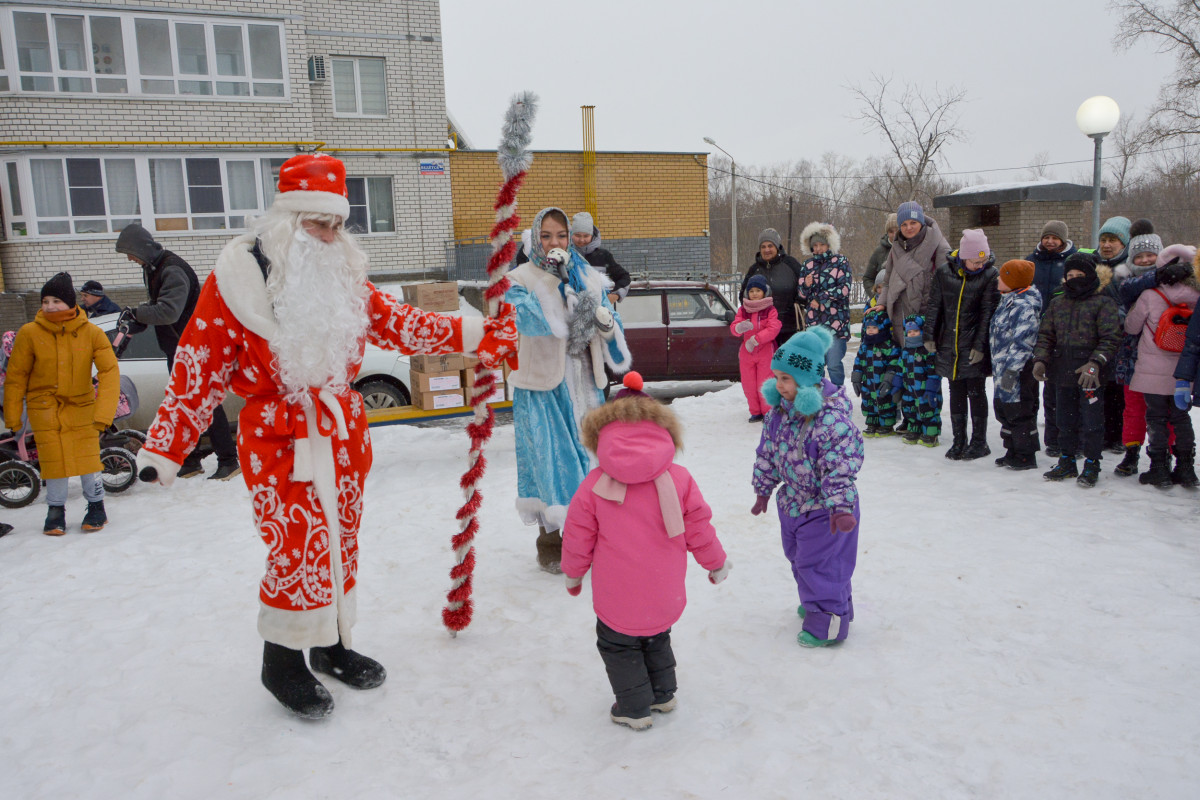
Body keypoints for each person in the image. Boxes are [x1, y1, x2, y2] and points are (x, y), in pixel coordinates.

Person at [133, 153, 518, 719]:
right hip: (277, 437)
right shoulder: (235, 283)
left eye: (338, 224)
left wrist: (479, 329)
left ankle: (331, 644)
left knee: (338, 542)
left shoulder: (342, 278)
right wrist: (165, 448)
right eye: (319, 223)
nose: (331, 235)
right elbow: (198, 365)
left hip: (341, 435)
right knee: (294, 548)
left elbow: (399, 321)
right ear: (288, 222)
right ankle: (281, 662)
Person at [561, 371, 729, 730]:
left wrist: (574, 574)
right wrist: (716, 563)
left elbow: (578, 535)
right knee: (656, 636)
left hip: (617, 595)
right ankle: (663, 694)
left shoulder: (594, 486)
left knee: (619, 645)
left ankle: (633, 708)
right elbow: (698, 527)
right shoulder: (679, 479)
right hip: (664, 590)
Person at [505, 206, 632, 573]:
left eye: (561, 235)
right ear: (536, 238)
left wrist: (607, 324)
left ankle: (591, 534)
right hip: (544, 385)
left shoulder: (587, 276)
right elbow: (532, 322)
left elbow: (611, 320)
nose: (555, 242)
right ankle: (551, 541)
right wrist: (558, 286)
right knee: (550, 463)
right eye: (546, 236)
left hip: (584, 383)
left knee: (591, 460)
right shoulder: (520, 278)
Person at [751, 326, 864, 647]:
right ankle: (827, 602)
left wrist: (840, 508)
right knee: (800, 558)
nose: (779, 385)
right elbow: (768, 453)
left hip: (828, 508)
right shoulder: (780, 413)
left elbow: (841, 466)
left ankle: (826, 622)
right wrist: (763, 488)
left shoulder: (830, 420)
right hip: (794, 502)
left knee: (821, 565)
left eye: (786, 378)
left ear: (808, 379)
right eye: (777, 377)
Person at [114, 223, 240, 481]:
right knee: (185, 404)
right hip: (178, 347)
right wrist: (141, 318)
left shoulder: (171, 270)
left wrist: (139, 313)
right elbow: (160, 307)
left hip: (194, 348)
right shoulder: (154, 268)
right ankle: (191, 460)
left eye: (130, 252)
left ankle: (229, 460)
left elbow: (170, 310)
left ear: (142, 248)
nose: (129, 258)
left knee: (204, 404)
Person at [4, 273, 119, 535]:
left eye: (56, 300)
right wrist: (13, 417)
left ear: (70, 302)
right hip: (44, 407)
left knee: (88, 461)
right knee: (53, 461)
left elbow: (109, 373)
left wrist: (104, 414)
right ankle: (55, 510)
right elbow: (16, 377)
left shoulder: (91, 333)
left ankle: (96, 506)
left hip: (82, 407)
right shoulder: (29, 333)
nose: (50, 306)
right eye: (45, 301)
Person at [1032, 253, 1122, 487]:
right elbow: (1046, 335)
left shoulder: (1103, 302)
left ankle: (1092, 463)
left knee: (1092, 422)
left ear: (1090, 275)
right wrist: (1040, 359)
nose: (1073, 279)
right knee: (1064, 420)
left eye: (1079, 275)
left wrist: (1095, 363)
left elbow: (1111, 338)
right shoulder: (1058, 302)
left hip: (1091, 375)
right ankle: (1067, 460)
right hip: (1062, 372)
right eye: (1069, 275)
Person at [1125, 243, 1199, 488]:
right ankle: (1186, 468)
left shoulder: (1150, 294)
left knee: (1155, 418)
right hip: (1184, 373)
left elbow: (1131, 327)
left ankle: (1158, 468)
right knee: (1181, 419)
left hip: (1151, 371)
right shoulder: (1197, 297)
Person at [876, 201, 949, 444]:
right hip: (900, 316)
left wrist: (936, 314)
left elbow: (946, 280)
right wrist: (882, 303)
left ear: (921, 222)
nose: (908, 227)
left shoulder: (937, 244)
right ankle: (911, 418)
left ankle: (929, 421)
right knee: (908, 370)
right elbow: (887, 281)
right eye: (904, 224)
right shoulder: (895, 246)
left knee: (926, 371)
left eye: (913, 222)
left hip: (925, 315)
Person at [923, 229, 1000, 460]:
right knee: (955, 391)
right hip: (950, 343)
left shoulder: (990, 275)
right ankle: (959, 440)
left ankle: (979, 442)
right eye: (976, 261)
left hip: (973, 344)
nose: (980, 265)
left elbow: (988, 313)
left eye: (983, 260)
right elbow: (934, 305)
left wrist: (980, 346)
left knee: (976, 393)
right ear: (964, 256)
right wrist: (929, 335)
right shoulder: (944, 273)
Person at [1112, 219, 1168, 477]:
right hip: (1132, 357)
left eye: (1151, 255)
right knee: (1134, 408)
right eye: (1140, 255)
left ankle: (1167, 453)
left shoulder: (1174, 280)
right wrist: (1156, 276)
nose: (1145, 260)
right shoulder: (1125, 281)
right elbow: (1127, 298)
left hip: (1167, 358)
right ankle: (1131, 452)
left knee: (1168, 412)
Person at [1026, 220, 1078, 458]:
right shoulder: (1032, 260)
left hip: (1064, 331)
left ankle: (1068, 436)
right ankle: (1051, 438)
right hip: (1037, 330)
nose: (1049, 241)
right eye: (1046, 237)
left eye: (1055, 238)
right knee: (1041, 382)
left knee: (1062, 387)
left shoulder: (1073, 262)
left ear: (1063, 239)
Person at [989, 260, 1043, 470]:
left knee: (1018, 410)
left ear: (1014, 281)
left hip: (1017, 371)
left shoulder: (1024, 306)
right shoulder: (1008, 301)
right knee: (1004, 409)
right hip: (1002, 368)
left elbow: (1024, 342)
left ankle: (1025, 454)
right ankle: (1012, 449)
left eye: (1003, 276)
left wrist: (1012, 370)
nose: (998, 280)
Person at [795, 222, 853, 385]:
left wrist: (821, 297)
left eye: (822, 244)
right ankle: (818, 401)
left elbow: (844, 289)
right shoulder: (807, 265)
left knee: (834, 364)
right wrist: (805, 285)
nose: (818, 248)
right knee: (816, 366)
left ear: (829, 245)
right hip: (815, 324)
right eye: (815, 246)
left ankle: (837, 398)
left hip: (837, 323)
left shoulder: (841, 262)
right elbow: (801, 294)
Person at [1095, 215, 1133, 454]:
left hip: (1122, 338)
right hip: (1094, 337)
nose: (1107, 245)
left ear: (1124, 243)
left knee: (1118, 390)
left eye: (1113, 240)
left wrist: (1112, 317)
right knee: (1099, 389)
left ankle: (1118, 435)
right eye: (1104, 239)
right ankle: (1101, 433)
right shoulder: (1090, 263)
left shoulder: (1130, 268)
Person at [739, 228, 805, 348]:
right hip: (763, 331)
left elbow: (804, 288)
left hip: (789, 329)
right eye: (763, 246)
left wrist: (798, 301)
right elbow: (743, 296)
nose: (767, 250)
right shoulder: (754, 269)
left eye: (770, 245)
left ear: (777, 246)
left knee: (786, 365)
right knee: (766, 365)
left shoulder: (791, 264)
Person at [730, 275, 781, 422]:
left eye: (758, 290)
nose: (754, 294)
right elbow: (734, 328)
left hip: (765, 351)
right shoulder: (743, 310)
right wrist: (739, 328)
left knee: (764, 383)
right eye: (751, 291)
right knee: (749, 384)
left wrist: (757, 339)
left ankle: (768, 412)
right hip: (747, 352)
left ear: (765, 292)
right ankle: (755, 411)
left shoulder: (770, 310)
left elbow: (774, 328)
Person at [851, 301, 901, 437]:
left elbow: (893, 363)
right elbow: (858, 362)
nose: (871, 330)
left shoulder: (889, 346)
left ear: (882, 327)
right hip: (868, 383)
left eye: (874, 327)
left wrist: (889, 379)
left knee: (885, 402)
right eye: (868, 328)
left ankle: (887, 424)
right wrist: (856, 378)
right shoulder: (864, 346)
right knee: (868, 402)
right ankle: (872, 422)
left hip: (882, 382)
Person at [570, 212, 631, 304]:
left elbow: (624, 277)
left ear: (592, 235)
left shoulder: (603, 256)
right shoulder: (565, 255)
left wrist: (615, 295)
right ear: (571, 235)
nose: (582, 240)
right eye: (578, 235)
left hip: (599, 310)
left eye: (586, 236)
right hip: (569, 312)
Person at [861, 213, 898, 300]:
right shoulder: (879, 252)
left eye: (897, 230)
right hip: (883, 305)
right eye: (891, 231)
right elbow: (867, 278)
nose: (894, 234)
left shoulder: (910, 248)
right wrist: (876, 296)